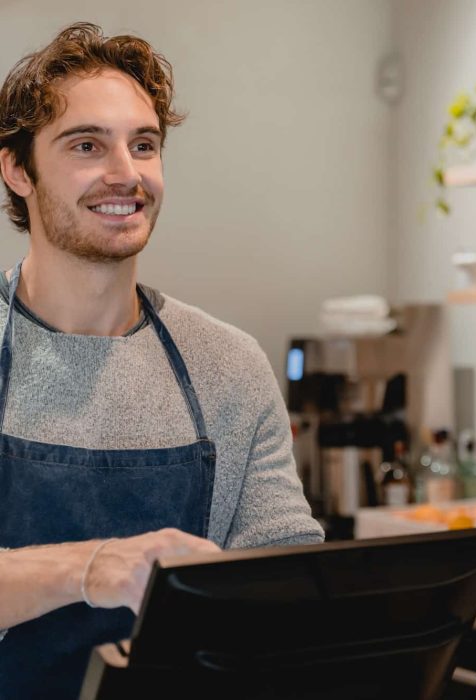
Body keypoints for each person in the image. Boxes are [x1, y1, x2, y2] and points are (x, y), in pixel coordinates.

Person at [0, 22, 324, 698]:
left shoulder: (228, 367)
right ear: (18, 169)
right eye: (87, 145)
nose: (126, 173)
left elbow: (286, 590)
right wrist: (90, 569)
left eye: (143, 146)